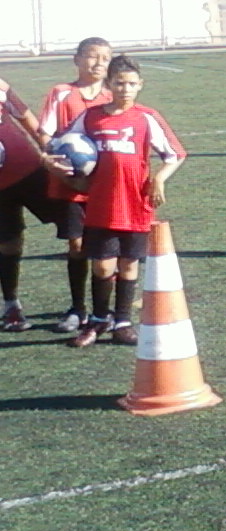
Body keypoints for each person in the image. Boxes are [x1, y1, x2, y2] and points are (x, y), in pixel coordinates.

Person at [46, 55, 186, 348]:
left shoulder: (147, 117)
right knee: (101, 266)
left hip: (135, 202)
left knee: (129, 263)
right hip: (100, 203)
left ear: (140, 86)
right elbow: (62, 143)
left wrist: (158, 179)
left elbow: (175, 155)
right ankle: (99, 319)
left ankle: (122, 321)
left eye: (132, 84)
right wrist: (58, 165)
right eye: (120, 83)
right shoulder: (92, 116)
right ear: (109, 84)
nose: (126, 89)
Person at [35, 36, 114, 333]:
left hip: (105, 186)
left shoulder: (111, 97)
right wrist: (53, 160)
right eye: (92, 56)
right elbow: (45, 133)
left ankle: (102, 312)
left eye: (105, 58)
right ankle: (77, 308)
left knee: (106, 250)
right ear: (77, 59)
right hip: (70, 183)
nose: (98, 63)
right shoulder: (62, 93)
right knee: (77, 245)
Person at [0, 73, 56, 332]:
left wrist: (51, 152)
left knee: (77, 227)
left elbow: (29, 121)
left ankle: (91, 309)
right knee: (8, 244)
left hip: (32, 172)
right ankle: (11, 306)